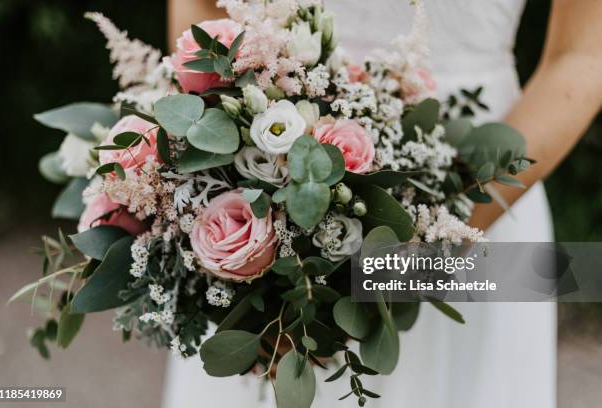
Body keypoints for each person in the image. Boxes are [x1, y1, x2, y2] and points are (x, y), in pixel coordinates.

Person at [163, 1, 602, 407]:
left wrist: (436, 232)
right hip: (258, 195)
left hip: (480, 197)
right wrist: (220, 163)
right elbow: (200, 9)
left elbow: (582, 57)